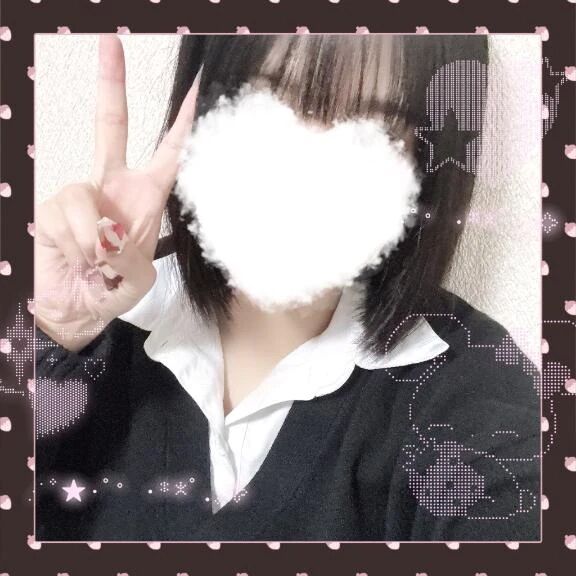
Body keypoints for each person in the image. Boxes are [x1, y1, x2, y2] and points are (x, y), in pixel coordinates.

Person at [34, 33, 540, 541]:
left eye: (376, 126)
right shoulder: (86, 318)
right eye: (271, 98)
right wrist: (56, 327)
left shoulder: (473, 388)